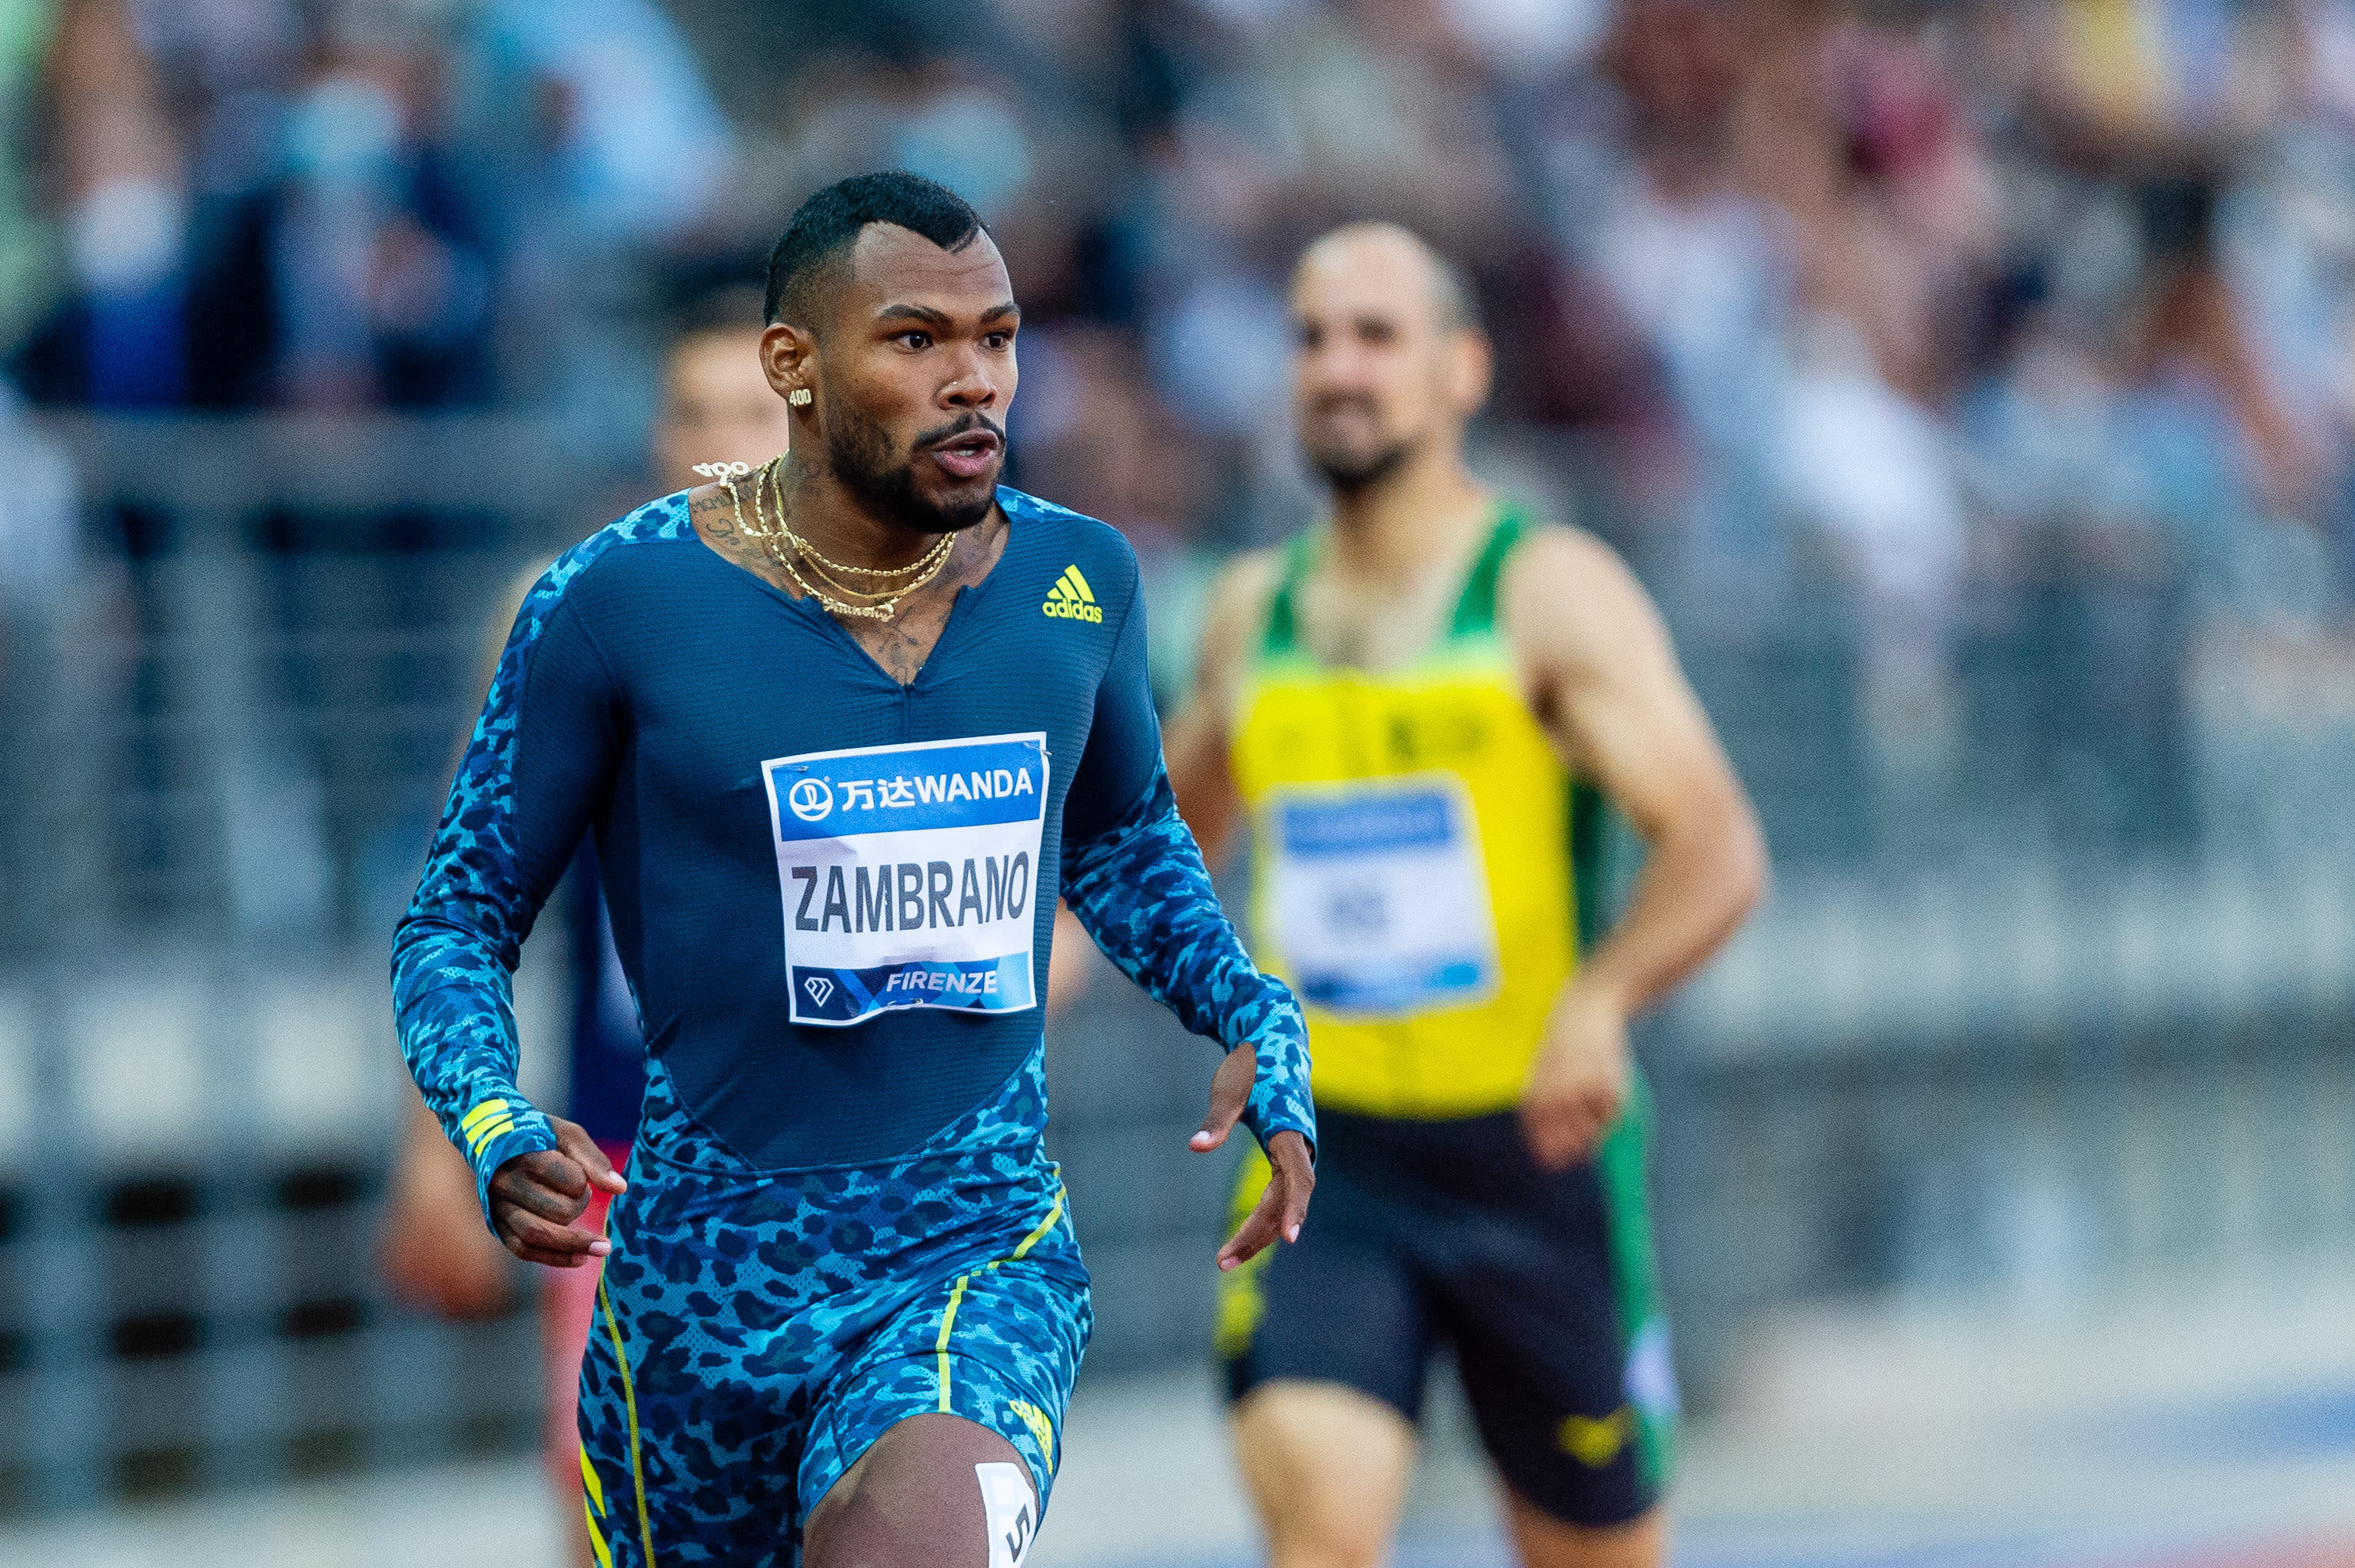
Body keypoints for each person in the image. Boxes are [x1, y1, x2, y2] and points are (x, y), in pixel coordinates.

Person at [391, 171, 1317, 1568]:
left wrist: (1248, 1007)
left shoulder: (1078, 585)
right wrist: (486, 1119)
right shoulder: (615, 604)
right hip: (697, 1293)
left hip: (975, 1255)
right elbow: (455, 919)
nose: (974, 383)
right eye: (916, 341)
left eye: (998, 339)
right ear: (795, 369)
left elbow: (1125, 845)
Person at [1166, 223, 1767, 1568]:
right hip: (1325, 1162)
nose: (1337, 367)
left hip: (1533, 1161)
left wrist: (1605, 1001)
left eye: (1377, 335)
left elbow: (1717, 844)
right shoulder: (1248, 615)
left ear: (1461, 372)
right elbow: (1151, 854)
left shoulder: (1547, 595)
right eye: (1312, 337)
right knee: (1320, 1526)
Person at [378, 286, 798, 1567]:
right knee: (610, 1502)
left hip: (831, 1154)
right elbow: (467, 902)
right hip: (625, 1148)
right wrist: (442, 1141)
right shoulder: (565, 616)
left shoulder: (893, 625)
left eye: (752, 412)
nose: (717, 439)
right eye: (689, 410)